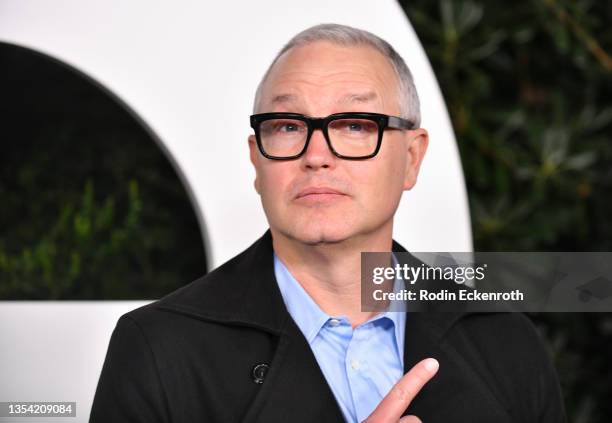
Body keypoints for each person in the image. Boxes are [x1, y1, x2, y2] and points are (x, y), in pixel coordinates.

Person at [89, 23, 566, 423]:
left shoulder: (505, 341)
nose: (316, 156)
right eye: (288, 127)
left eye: (355, 125)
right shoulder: (159, 349)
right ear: (258, 162)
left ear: (412, 159)